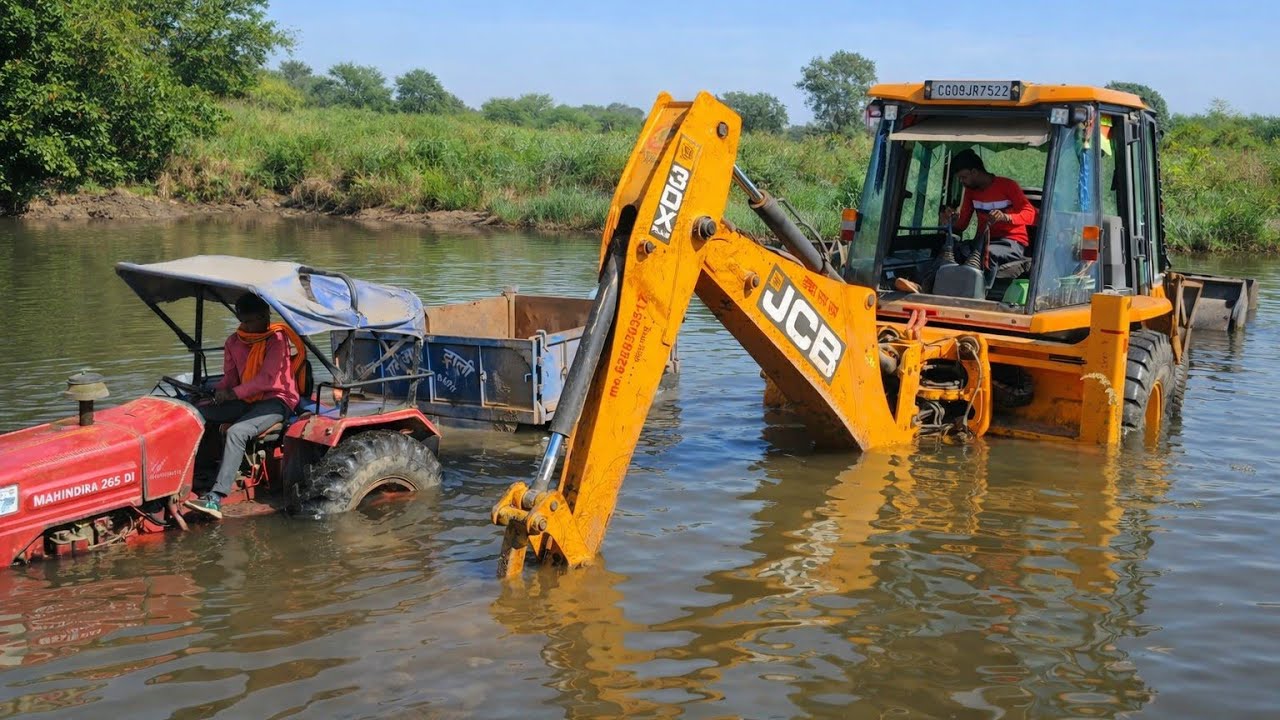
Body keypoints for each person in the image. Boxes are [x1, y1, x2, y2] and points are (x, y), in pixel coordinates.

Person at [186, 293, 303, 519]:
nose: (251, 325)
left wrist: (231, 394)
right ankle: (194, 475)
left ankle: (215, 498)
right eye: (246, 321)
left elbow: (266, 380)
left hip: (276, 400)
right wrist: (216, 393)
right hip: (245, 400)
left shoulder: (276, 340)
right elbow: (229, 378)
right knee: (195, 412)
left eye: (256, 319)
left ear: (266, 316)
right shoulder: (233, 341)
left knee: (237, 432)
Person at [896, 148, 1037, 294]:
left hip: (1012, 242)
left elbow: (1030, 214)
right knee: (954, 249)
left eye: (964, 177)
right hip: (983, 241)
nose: (962, 182)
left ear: (974, 172)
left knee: (986, 253)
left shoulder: (1008, 186)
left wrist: (1006, 217)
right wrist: (950, 221)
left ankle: (981, 294)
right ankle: (923, 286)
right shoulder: (971, 192)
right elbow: (962, 224)